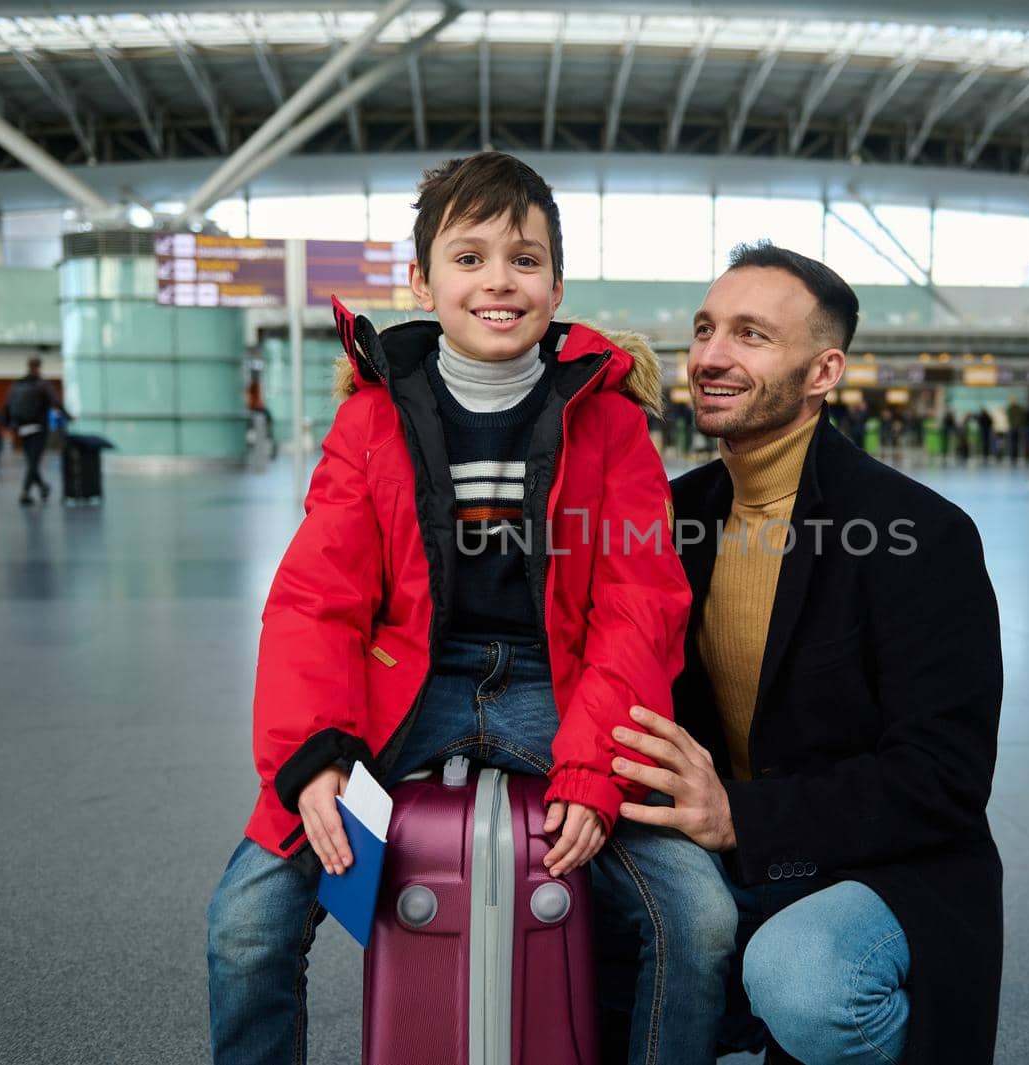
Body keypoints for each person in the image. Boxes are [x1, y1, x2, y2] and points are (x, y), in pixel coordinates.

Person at [205, 152, 726, 1065]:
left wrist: (595, 772)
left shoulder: (608, 423)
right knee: (246, 922)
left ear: (556, 284)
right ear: (422, 279)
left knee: (700, 917)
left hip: (552, 689)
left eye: (525, 260)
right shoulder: (373, 420)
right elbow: (316, 601)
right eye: (470, 255)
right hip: (405, 692)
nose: (498, 280)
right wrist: (316, 757)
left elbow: (638, 606)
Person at [604, 242, 1004, 1065]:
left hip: (884, 862)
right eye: (705, 329)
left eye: (751, 335)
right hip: (719, 858)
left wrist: (739, 817)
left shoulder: (920, 534)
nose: (710, 356)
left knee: (804, 979)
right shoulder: (672, 517)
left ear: (824, 371)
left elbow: (944, 779)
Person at [3, 358, 66, 505]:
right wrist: (67, 416)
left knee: (31, 460)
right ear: (39, 367)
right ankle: (25, 492)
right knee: (34, 461)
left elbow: (8, 405)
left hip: (23, 428)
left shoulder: (17, 385)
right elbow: (56, 402)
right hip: (39, 427)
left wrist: (8, 424)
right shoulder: (42, 384)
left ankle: (42, 487)